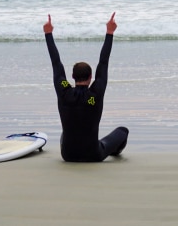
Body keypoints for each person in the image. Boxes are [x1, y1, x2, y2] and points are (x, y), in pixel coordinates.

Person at [44, 13, 129, 162]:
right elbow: (103, 63)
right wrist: (109, 33)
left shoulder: (65, 91)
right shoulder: (94, 95)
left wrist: (48, 34)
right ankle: (114, 151)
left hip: (68, 155)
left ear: (72, 76)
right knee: (122, 131)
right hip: (93, 154)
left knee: (65, 134)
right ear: (91, 78)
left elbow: (56, 64)